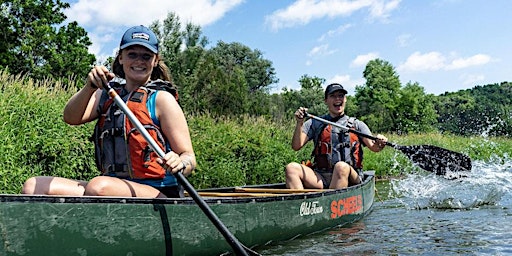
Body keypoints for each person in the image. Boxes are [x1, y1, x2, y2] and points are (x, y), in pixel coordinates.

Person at [22, 25, 196, 198]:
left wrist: (180, 162)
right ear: (121, 58)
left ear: (155, 60)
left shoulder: (162, 99)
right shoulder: (108, 95)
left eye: (146, 56)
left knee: (99, 187)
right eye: (132, 55)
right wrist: (89, 87)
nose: (139, 61)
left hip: (159, 191)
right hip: (110, 187)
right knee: (34, 187)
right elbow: (70, 117)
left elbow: (189, 157)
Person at [285, 83, 387, 190]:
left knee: (341, 167)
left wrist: (380, 142)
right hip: (321, 176)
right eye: (333, 96)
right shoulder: (315, 123)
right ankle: (301, 205)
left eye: (341, 96)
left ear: (345, 99)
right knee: (291, 168)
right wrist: (299, 123)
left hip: (350, 176)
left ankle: (331, 203)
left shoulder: (357, 124)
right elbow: (296, 146)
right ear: (326, 100)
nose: (337, 99)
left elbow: (374, 147)